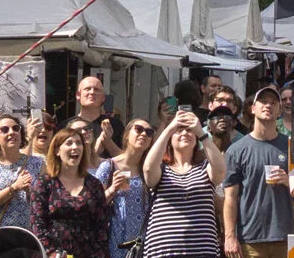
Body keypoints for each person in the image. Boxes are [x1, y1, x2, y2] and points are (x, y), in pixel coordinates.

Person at [142, 109, 224, 258]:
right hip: (162, 251)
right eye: (179, 131)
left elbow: (220, 170)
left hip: (202, 251)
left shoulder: (205, 168)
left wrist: (201, 132)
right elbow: (148, 171)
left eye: (189, 131)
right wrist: (169, 128)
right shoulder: (161, 169)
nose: (185, 133)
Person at [222, 86, 292, 258]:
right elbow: (230, 198)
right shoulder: (236, 150)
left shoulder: (291, 147)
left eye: (273, 103)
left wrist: (291, 181)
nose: (268, 105)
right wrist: (230, 237)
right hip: (250, 239)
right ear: (253, 109)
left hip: (286, 237)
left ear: (279, 110)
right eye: (263, 101)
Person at [32, 124, 109, 258]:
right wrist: (51, 253)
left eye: (79, 143)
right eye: (69, 143)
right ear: (57, 150)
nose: (75, 147)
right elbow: (37, 225)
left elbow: (101, 226)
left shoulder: (94, 184)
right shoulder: (44, 183)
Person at [94, 117, 153, 256]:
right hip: (115, 238)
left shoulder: (150, 169)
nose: (143, 134)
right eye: (138, 129)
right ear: (127, 134)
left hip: (145, 240)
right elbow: (93, 203)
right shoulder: (109, 166)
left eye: (149, 132)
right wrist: (112, 189)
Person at [0, 112, 44, 233]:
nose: (11, 132)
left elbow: (45, 202)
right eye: (4, 130)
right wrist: (13, 188)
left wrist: (30, 192)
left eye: (16, 128)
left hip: (30, 235)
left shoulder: (38, 163)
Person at [73, 75, 125, 164]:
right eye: (87, 89)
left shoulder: (115, 124)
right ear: (78, 95)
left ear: (103, 98)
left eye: (97, 90)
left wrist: (107, 140)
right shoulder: (67, 126)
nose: (92, 92)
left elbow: (125, 159)